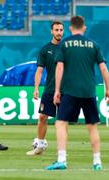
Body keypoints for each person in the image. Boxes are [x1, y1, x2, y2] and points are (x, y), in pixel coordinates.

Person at [46, 16, 109, 170]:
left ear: (70, 28)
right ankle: (97, 162)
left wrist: (56, 91)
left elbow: (59, 68)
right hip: (89, 91)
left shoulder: (65, 44)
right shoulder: (94, 45)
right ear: (84, 28)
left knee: (61, 122)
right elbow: (103, 69)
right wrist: (108, 89)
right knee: (92, 126)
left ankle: (62, 160)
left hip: (70, 91)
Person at [26, 21, 64, 155]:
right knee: (42, 117)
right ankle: (40, 146)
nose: (59, 32)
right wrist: (36, 88)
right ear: (51, 32)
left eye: (61, 30)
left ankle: (62, 151)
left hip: (65, 90)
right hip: (49, 89)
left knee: (63, 121)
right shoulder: (45, 50)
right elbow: (39, 71)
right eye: (56, 30)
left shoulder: (67, 48)